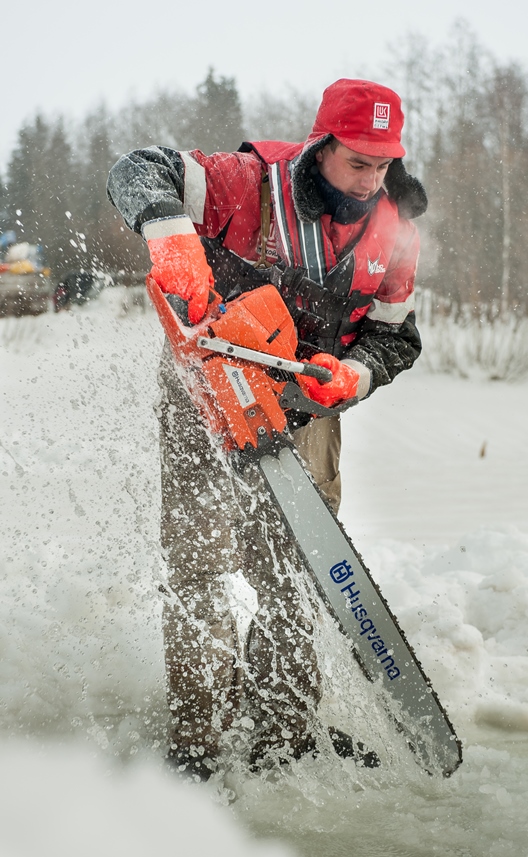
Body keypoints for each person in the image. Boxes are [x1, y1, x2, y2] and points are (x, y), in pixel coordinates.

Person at [107, 78, 426, 780]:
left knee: (293, 572)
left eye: (383, 164)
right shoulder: (248, 184)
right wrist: (169, 237)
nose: (372, 180)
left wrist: (356, 374)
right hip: (208, 392)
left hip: (306, 407)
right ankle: (195, 742)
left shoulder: (395, 227)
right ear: (322, 145)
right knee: (198, 565)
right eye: (357, 163)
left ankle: (285, 731)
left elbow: (396, 339)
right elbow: (136, 168)